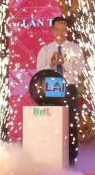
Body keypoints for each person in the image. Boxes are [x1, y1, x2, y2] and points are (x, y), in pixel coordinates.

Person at [36, 16, 84, 165]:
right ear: (52, 31)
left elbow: (79, 71)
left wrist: (64, 63)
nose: (60, 33)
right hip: (50, 90)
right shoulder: (45, 50)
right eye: (57, 29)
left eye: (63, 30)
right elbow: (39, 73)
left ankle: (71, 160)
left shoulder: (75, 49)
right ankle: (50, 158)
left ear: (67, 31)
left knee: (70, 124)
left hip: (69, 88)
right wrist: (51, 64)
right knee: (51, 123)